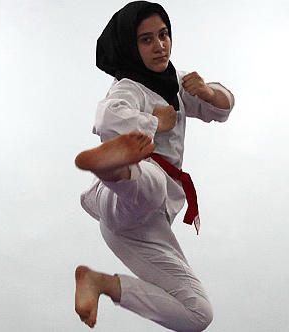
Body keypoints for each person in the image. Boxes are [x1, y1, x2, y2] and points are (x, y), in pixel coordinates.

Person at [72, 2, 234, 331]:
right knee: (154, 184)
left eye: (163, 35)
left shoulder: (174, 80)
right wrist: (153, 122)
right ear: (131, 47)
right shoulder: (128, 87)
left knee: (198, 314)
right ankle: (111, 168)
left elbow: (222, 109)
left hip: (146, 229)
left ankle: (100, 283)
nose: (160, 45)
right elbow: (106, 117)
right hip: (119, 201)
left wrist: (205, 91)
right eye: (146, 40)